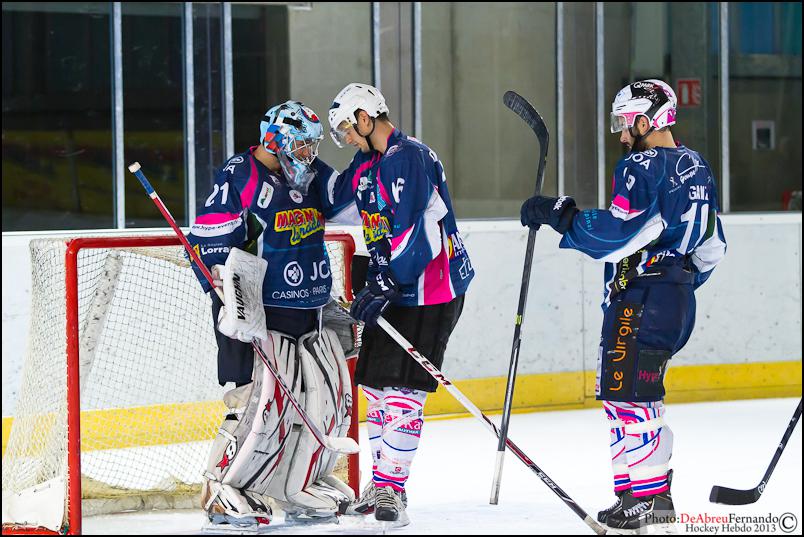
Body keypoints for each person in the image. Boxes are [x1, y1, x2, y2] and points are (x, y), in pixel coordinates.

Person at [519, 79, 727, 530]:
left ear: (645, 120)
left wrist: (560, 215)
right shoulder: (697, 165)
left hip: (643, 298)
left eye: (624, 122)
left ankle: (650, 499)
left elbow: (617, 235)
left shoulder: (641, 165)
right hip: (669, 297)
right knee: (622, 395)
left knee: (632, 399)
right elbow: (713, 246)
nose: (620, 134)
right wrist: (680, 282)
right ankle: (635, 494)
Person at [187, 100, 357, 529]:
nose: (308, 154)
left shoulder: (311, 175)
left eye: (312, 146)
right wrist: (228, 293)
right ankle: (222, 488)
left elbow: (349, 199)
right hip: (256, 313)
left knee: (312, 401)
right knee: (253, 401)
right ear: (274, 140)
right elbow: (208, 244)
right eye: (300, 145)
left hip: (306, 307)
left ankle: (297, 481)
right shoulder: (240, 175)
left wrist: (373, 160)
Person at [312, 83, 475, 527]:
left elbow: (417, 235)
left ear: (366, 118)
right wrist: (299, 161)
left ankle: (392, 492)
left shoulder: (410, 157)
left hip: (430, 290)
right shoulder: (367, 163)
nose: (345, 137)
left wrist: (383, 280)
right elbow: (332, 204)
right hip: (394, 287)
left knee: (402, 391)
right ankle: (383, 484)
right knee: (377, 385)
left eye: (347, 127)